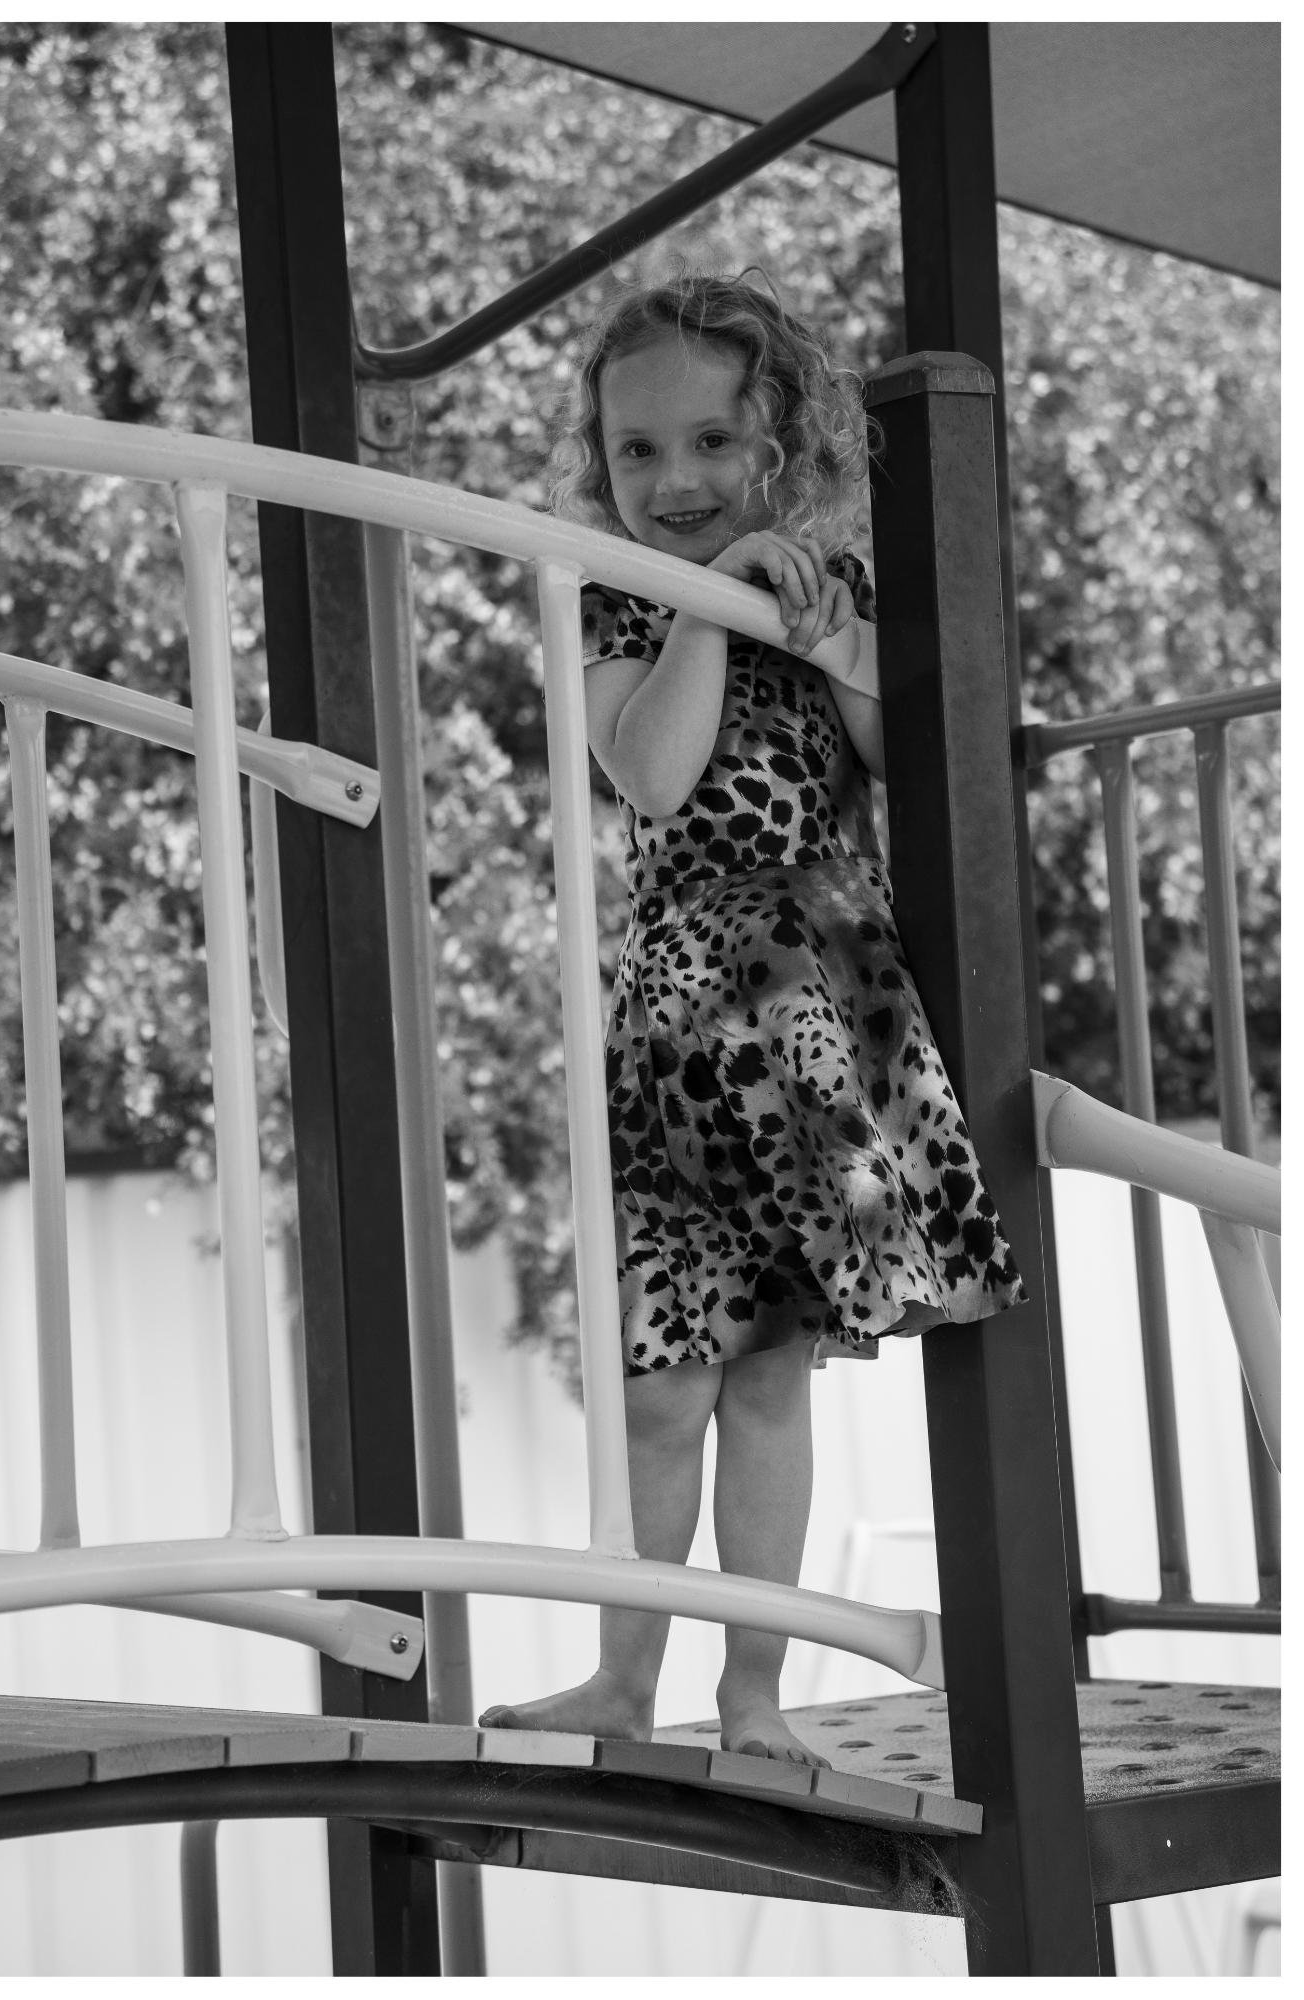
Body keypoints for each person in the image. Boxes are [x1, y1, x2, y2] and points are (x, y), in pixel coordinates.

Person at [480, 272, 1026, 1765]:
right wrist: (711, 607)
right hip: (685, 1025)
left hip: (819, 1008)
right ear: (601, 460)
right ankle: (622, 1682)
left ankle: (754, 1697)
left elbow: (904, 751)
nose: (677, 479)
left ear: (781, 443)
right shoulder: (608, 597)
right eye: (638, 449)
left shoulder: (826, 586)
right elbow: (654, 772)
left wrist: (828, 632)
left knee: (772, 1379)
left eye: (715, 441)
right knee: (664, 1386)